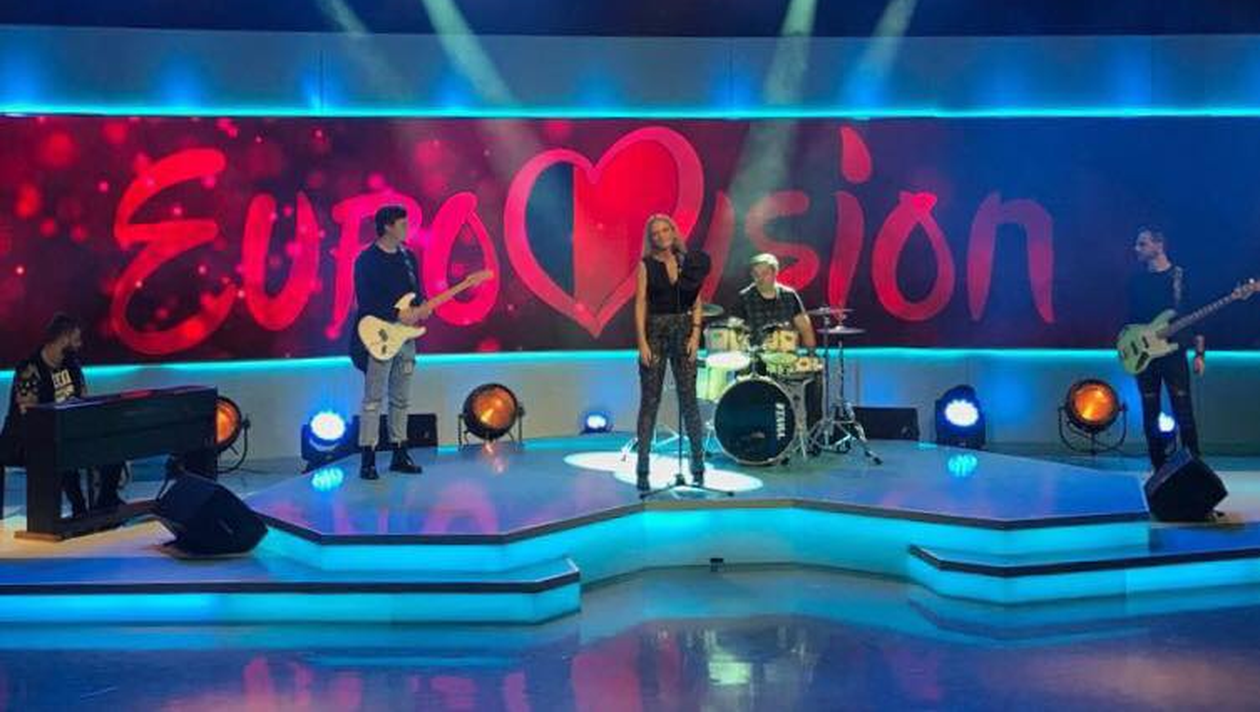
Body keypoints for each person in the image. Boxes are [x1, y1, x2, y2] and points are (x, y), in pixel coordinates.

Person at [0, 314, 124, 516]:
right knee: (60, 448)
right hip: (25, 439)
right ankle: (79, 508)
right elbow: (28, 414)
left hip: (67, 433)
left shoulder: (72, 364)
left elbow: (83, 400)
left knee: (113, 446)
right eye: (76, 339)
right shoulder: (29, 368)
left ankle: (105, 503)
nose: (80, 344)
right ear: (63, 339)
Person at [634, 214, 710, 491]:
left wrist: (695, 335)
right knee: (650, 400)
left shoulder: (687, 262)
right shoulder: (646, 265)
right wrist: (642, 342)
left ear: (673, 232)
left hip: (684, 331)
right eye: (655, 233)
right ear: (651, 238)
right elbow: (640, 303)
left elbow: (696, 302)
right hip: (656, 331)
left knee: (689, 400)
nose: (661, 235)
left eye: (665, 230)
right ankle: (642, 466)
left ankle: (698, 464)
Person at [351, 205, 427, 480]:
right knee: (373, 398)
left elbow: (417, 292)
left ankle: (399, 452)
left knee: (401, 398)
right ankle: (368, 458)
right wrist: (396, 313)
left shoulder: (408, 258)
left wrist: (422, 307)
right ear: (387, 226)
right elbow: (366, 301)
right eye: (402, 224)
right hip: (378, 337)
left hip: (405, 337)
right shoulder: (366, 260)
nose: (407, 228)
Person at [1127, 227, 1204, 469]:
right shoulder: (1136, 282)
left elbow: (1196, 317)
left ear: (1159, 245)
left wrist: (1199, 354)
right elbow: (1131, 322)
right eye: (1137, 244)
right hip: (1145, 357)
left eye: (1142, 244)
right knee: (1150, 413)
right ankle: (1158, 469)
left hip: (1173, 354)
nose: (1136, 249)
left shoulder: (1180, 278)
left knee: (1184, 414)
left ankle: (1194, 470)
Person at [730, 253, 823, 437]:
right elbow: (735, 331)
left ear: (775, 273)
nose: (759, 278)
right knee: (743, 372)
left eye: (764, 273)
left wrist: (812, 354)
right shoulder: (744, 297)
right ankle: (752, 430)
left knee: (816, 369)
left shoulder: (789, 295)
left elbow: (805, 327)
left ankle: (814, 433)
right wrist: (744, 347)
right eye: (755, 274)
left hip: (787, 357)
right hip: (757, 358)